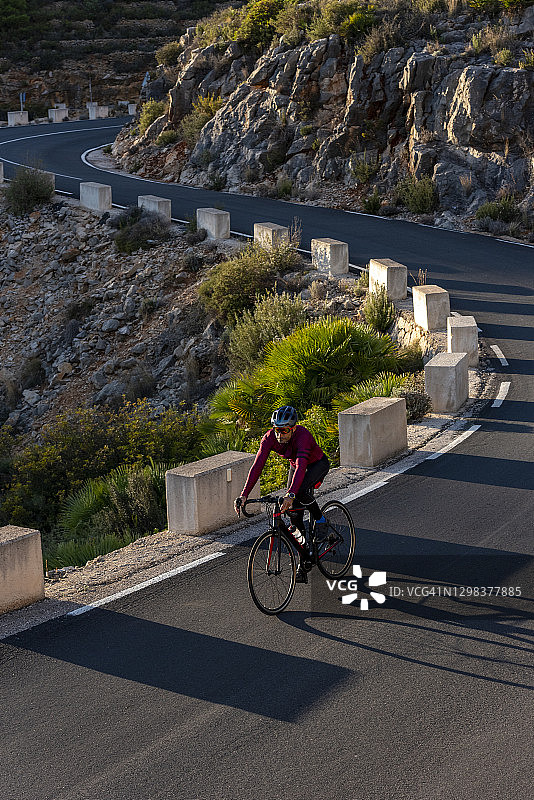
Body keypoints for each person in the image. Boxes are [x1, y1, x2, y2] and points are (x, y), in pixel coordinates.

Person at [234, 405, 330, 583]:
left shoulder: (302, 435)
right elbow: (257, 467)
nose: (280, 434)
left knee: (299, 492)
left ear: (293, 428)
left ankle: (321, 519)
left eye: (285, 430)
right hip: (296, 466)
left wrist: (291, 494)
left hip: (316, 464)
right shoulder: (269, 438)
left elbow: (302, 466)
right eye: (277, 429)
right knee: (294, 516)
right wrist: (244, 494)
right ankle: (305, 558)